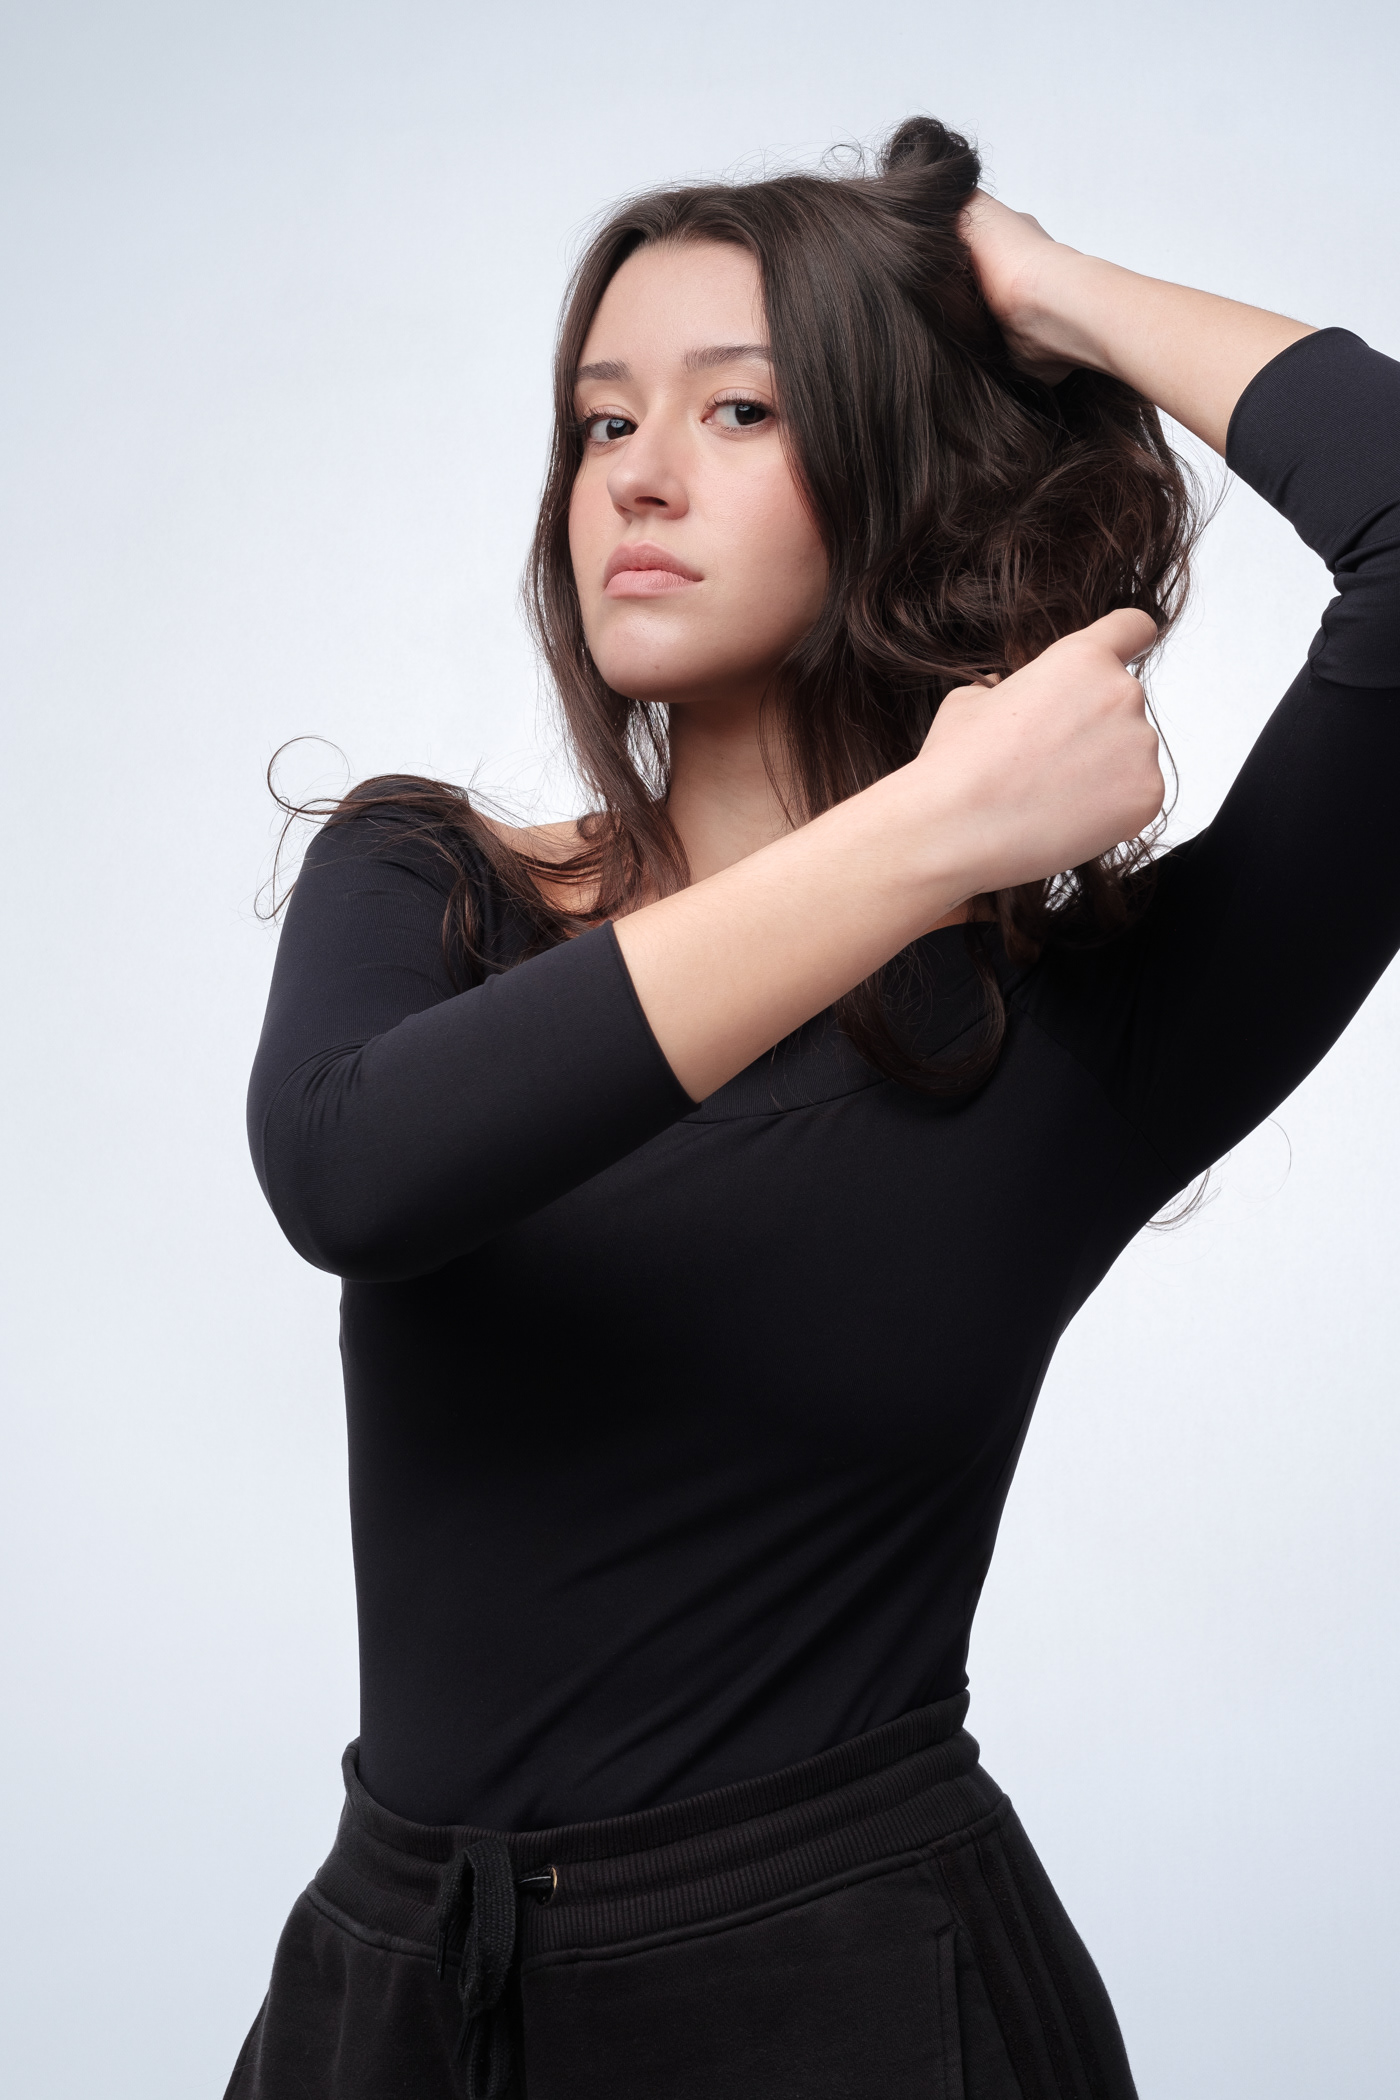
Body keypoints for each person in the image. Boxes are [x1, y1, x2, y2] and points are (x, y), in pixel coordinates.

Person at [226, 117, 1400, 2100]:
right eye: (602, 423)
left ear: (899, 479)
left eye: (741, 409)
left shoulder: (1082, 1035)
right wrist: (934, 827)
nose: (637, 476)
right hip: (393, 2001)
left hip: (854, 1998)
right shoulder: (430, 887)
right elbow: (354, 1173)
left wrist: (1036, 288)